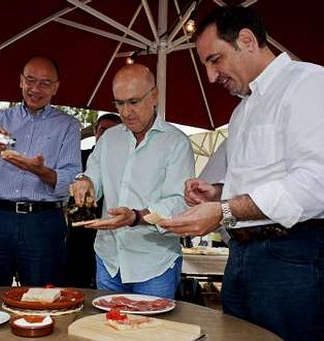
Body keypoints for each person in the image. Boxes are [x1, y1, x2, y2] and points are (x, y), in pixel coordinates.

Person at [158, 6, 324, 340]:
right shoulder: (241, 111)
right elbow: (262, 181)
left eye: (214, 59)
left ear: (247, 40)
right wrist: (218, 192)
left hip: (295, 258)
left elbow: (315, 183)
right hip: (241, 255)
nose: (211, 76)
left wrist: (223, 210)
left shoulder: (309, 83)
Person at [70, 63, 194, 298]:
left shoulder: (176, 143)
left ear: (154, 96)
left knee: (151, 334)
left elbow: (179, 203)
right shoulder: (108, 140)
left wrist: (136, 217)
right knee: (109, 332)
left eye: (133, 102)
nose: (125, 112)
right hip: (109, 259)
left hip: (154, 264)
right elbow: (92, 179)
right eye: (119, 103)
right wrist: (84, 183)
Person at [0, 56, 81, 287]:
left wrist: (39, 170)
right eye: (30, 80)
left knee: (44, 298)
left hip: (43, 221)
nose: (36, 89)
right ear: (20, 81)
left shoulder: (68, 125)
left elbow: (69, 179)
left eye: (45, 83)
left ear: (56, 87)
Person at [66, 112, 122, 288]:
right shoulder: (80, 156)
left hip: (113, 227)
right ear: (96, 132)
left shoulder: (126, 161)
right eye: (103, 130)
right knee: (76, 280)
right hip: (81, 229)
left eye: (113, 131)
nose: (107, 135)